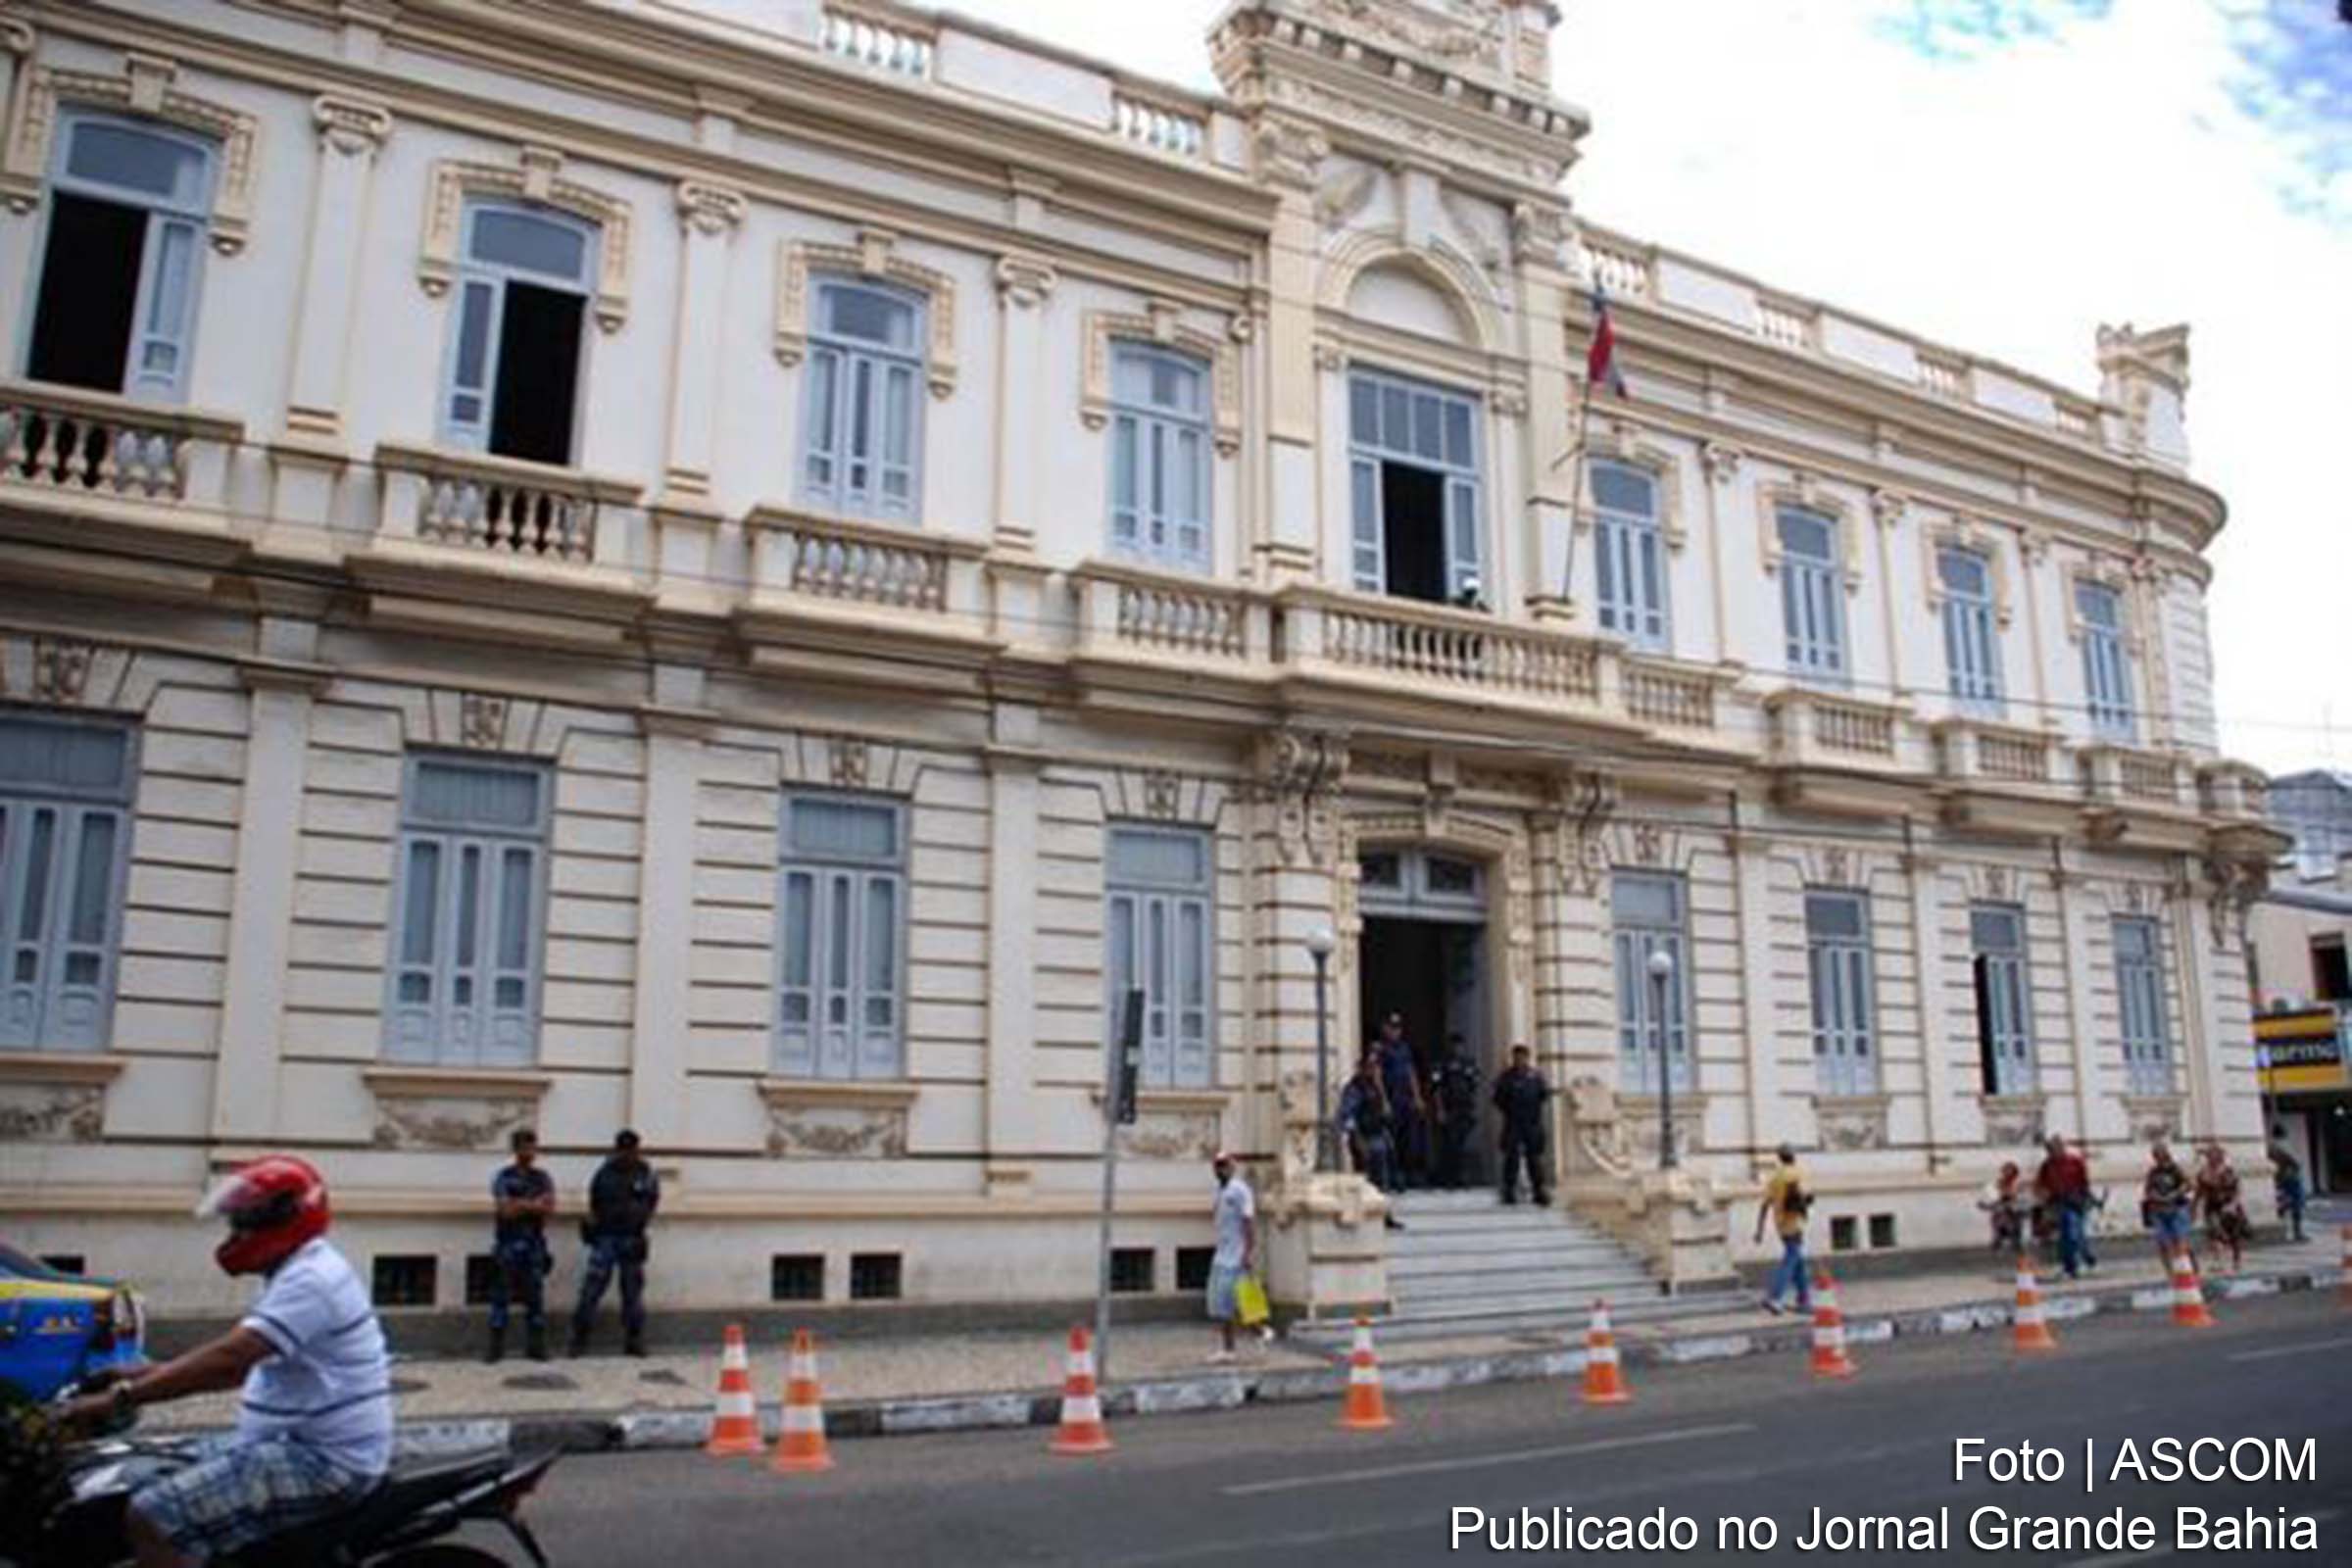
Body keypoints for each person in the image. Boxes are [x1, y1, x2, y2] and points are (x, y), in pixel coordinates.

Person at [61, 1155, 391, 1568]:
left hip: (322, 1461)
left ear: (282, 1220)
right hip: (282, 1441)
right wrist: (146, 1373)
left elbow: (229, 1362)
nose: (235, 1235)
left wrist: (120, 1397)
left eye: (242, 1224)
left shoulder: (311, 1280)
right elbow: (238, 1359)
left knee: (152, 1515)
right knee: (141, 1471)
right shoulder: (294, 1269)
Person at [570, 1127, 661, 1356]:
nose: (628, 1155)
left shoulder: (645, 1173)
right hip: (606, 1237)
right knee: (591, 1291)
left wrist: (638, 1220)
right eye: (624, 1150)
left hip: (632, 1237)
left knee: (632, 1293)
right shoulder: (605, 1173)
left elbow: (651, 1202)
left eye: (632, 1150)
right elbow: (594, 1202)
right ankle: (579, 1339)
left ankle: (634, 1340)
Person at [486, 1127, 556, 1363]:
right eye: (525, 1147)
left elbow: (548, 1208)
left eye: (532, 1147)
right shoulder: (504, 1176)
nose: (530, 1152)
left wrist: (519, 1204)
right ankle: (496, 1347)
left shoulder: (542, 1178)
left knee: (535, 1297)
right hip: (508, 1244)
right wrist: (532, 1204)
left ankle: (536, 1346)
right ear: (516, 1150)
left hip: (534, 1244)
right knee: (501, 1296)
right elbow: (505, 1210)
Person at [1205, 1151, 1266, 1363]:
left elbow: (1248, 1222)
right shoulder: (1219, 1191)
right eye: (1217, 1166)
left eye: (1224, 1165)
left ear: (1232, 1167)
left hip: (1237, 1255)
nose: (1220, 1170)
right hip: (1222, 1253)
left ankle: (1258, 1332)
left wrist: (1248, 1252)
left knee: (1239, 1301)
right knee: (1221, 1303)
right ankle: (1231, 1347)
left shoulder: (1240, 1190)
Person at [1336, 1054, 1405, 1230]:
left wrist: (1381, 1088)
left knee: (1382, 1181)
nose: (1374, 1070)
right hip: (1364, 1137)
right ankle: (1365, 1214)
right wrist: (1357, 1140)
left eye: (1376, 1066)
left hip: (1378, 1135)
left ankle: (1384, 1215)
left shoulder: (1377, 1087)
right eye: (1371, 1066)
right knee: (1366, 1179)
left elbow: (1387, 1112)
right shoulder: (1354, 1088)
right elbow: (1348, 1116)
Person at [1754, 1142, 1813, 1315]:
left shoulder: (1775, 1177)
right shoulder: (1798, 1173)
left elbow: (1765, 1205)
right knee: (1791, 1259)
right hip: (1795, 1222)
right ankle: (1774, 1297)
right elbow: (1806, 1198)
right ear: (1793, 1156)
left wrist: (1759, 1230)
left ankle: (1804, 1300)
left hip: (1781, 1223)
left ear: (1779, 1158)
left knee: (1798, 1261)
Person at [1372, 1014, 1428, 1190]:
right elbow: (1377, 1075)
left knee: (1408, 1140)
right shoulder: (1380, 1049)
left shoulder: (1404, 1049)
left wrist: (1417, 1097)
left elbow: (1411, 1073)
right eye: (1392, 1027)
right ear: (1385, 1029)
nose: (1396, 1031)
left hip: (1405, 1100)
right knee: (1391, 1141)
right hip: (1391, 1098)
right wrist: (1384, 1101)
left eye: (1398, 1028)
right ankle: (1391, 1177)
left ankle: (1405, 1175)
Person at [1491, 1043, 1550, 1206]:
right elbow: (1498, 1099)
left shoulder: (1536, 1076)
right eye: (1517, 1057)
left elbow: (1543, 1095)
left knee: (1534, 1159)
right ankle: (1509, 1191)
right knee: (1512, 1158)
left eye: (1523, 1057)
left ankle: (1538, 1191)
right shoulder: (1506, 1077)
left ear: (1527, 1058)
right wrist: (1510, 1111)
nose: (1520, 1060)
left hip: (1532, 1122)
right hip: (1513, 1122)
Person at [2034, 1134, 2098, 1280]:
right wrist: (2043, 1197)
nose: (2052, 1152)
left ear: (2061, 1147)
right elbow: (2040, 1184)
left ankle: (2085, 1260)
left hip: (2076, 1202)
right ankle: (2072, 1266)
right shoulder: (2047, 1165)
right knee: (2068, 1234)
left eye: (2054, 1149)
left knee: (2077, 1234)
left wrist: (2088, 1199)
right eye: (2049, 1150)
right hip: (2058, 1203)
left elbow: (2084, 1182)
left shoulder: (2075, 1161)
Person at [1430, 1033, 1483, 1190]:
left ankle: (1461, 1176)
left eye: (1460, 1046)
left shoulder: (1469, 1063)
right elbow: (1436, 1088)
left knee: (1461, 1144)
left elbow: (1475, 1084)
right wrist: (1440, 1109)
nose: (1457, 1049)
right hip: (1449, 1108)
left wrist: (1473, 1107)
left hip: (1464, 1108)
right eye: (1454, 1045)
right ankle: (1448, 1177)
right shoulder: (1442, 1064)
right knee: (1449, 1144)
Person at [2194, 1143, 2251, 1273]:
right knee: (2213, 1231)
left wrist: (2233, 1205)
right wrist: (2194, 1206)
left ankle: (2236, 1261)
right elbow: (2200, 1191)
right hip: (2212, 1206)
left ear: (2220, 1157)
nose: (2210, 1159)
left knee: (2234, 1235)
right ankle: (2219, 1261)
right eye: (2209, 1156)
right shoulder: (2203, 1172)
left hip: (2228, 1205)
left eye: (2213, 1156)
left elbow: (2237, 1190)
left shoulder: (2228, 1171)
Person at [2140, 1141, 2195, 1268]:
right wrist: (2154, 1196)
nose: (2158, 1158)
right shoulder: (2153, 1172)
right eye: (2156, 1155)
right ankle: (2171, 1269)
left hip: (2177, 1209)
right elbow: (2148, 1189)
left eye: (2160, 1154)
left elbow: (2188, 1184)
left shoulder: (2175, 1169)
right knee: (2163, 1242)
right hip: (2159, 1210)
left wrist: (2174, 1195)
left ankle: (2184, 1267)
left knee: (2180, 1239)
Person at [1981, 1160, 2028, 1256]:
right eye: (2006, 1172)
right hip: (2000, 1214)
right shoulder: (1994, 1185)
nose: (2008, 1175)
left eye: (2011, 1173)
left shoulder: (2019, 1185)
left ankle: (2015, 1247)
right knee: (2000, 1229)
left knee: (2015, 1234)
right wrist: (1992, 1204)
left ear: (2015, 1174)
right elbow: (1985, 1201)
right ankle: (1999, 1245)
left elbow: (2023, 1201)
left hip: (2014, 1214)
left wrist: (2016, 1204)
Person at [2269, 1126, 2308, 1243]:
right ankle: (2298, 1232)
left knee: (2281, 1203)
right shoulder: (2283, 1145)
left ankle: (2281, 1229)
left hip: (2279, 1178)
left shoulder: (2271, 1146)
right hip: (2291, 1177)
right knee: (2297, 1204)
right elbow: (2296, 1161)